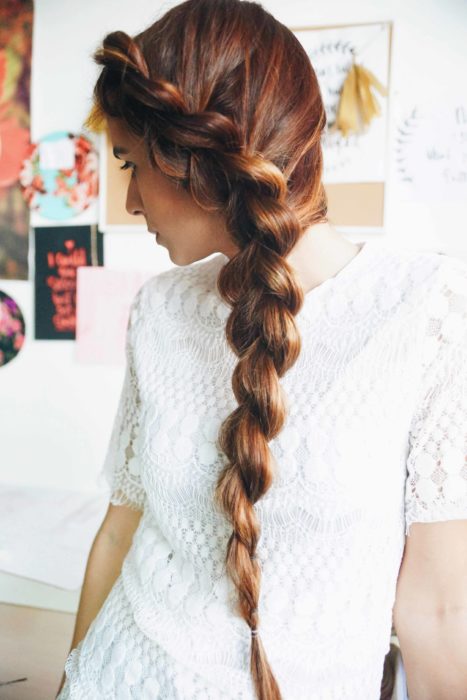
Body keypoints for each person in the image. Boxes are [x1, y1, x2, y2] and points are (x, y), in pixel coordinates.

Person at [55, 0, 467, 698]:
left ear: (198, 160)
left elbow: (436, 606)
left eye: (130, 164)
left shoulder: (425, 312)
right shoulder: (159, 309)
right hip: (116, 673)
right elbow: (121, 531)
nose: (130, 202)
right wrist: (71, 679)